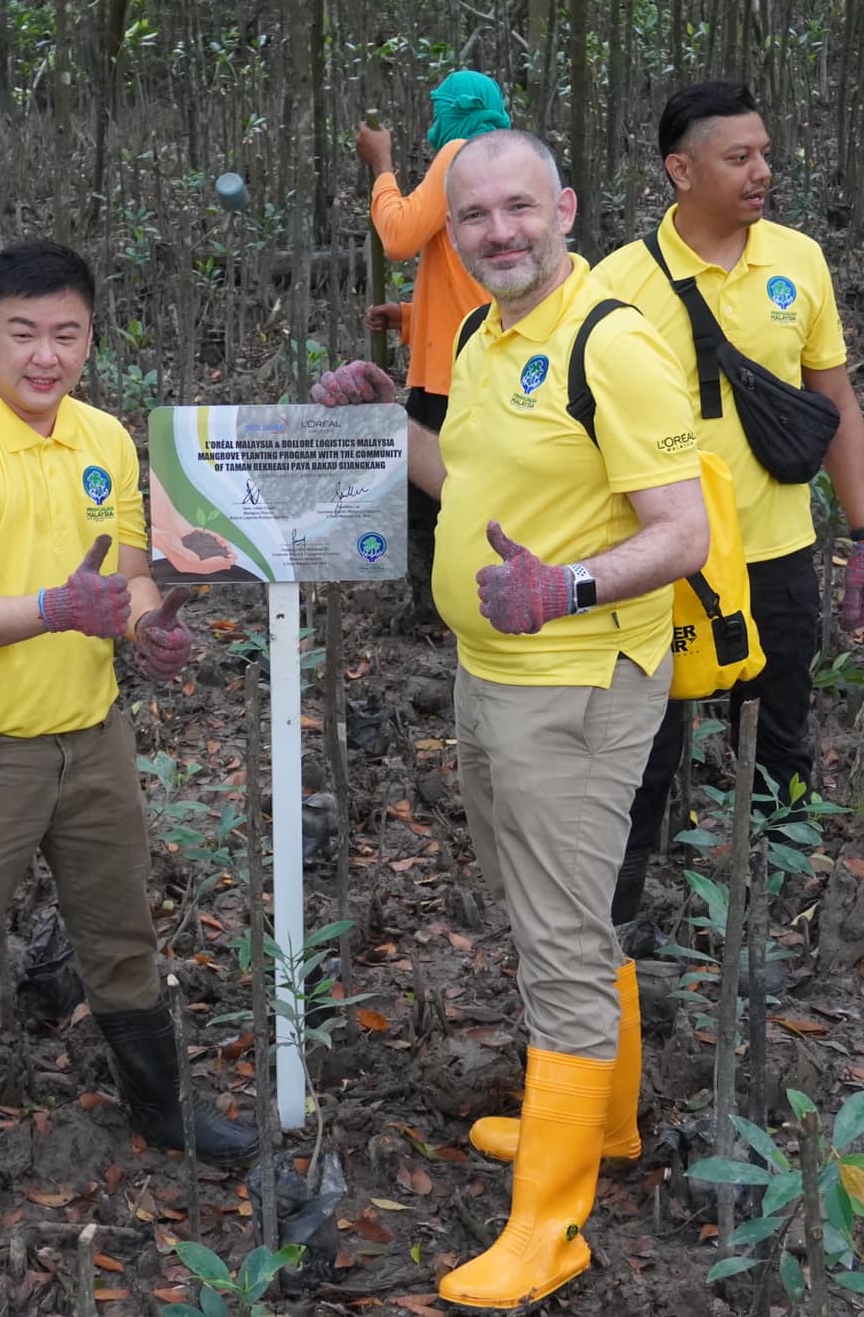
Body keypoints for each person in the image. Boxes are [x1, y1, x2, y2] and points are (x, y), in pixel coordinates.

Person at [313, 131, 708, 1308]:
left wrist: (567, 586)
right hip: (491, 673)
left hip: (578, 685)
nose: (497, 232)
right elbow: (472, 482)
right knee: (562, 916)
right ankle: (607, 1125)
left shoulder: (614, 343)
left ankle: (550, 1225)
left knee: (561, 944)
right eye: (475, 214)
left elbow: (679, 532)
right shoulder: (487, 334)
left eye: (518, 209)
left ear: (565, 209)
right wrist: (394, 416)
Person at [0, 239, 258, 1208]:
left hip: (90, 734)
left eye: (66, 334)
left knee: (120, 927)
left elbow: (124, 582)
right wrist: (53, 608)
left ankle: (159, 1104)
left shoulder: (105, 439)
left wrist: (147, 629)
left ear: (91, 336)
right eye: (23, 333)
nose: (44, 355)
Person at [593, 81, 864, 921]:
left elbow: (837, 407)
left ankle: (782, 904)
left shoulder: (798, 260)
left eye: (765, 154)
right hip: (664, 561)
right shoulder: (617, 283)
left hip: (778, 550)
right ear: (680, 170)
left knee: (784, 734)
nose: (763, 172)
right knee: (647, 749)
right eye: (739, 157)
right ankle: (621, 921)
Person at [355, 70, 505, 621]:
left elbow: (397, 238)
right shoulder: (497, 164)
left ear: (458, 110)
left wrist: (382, 166)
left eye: (439, 109)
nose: (433, 122)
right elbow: (475, 292)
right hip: (473, 358)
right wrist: (410, 319)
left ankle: (437, 612)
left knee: (431, 500)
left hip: (452, 375)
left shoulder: (462, 154)